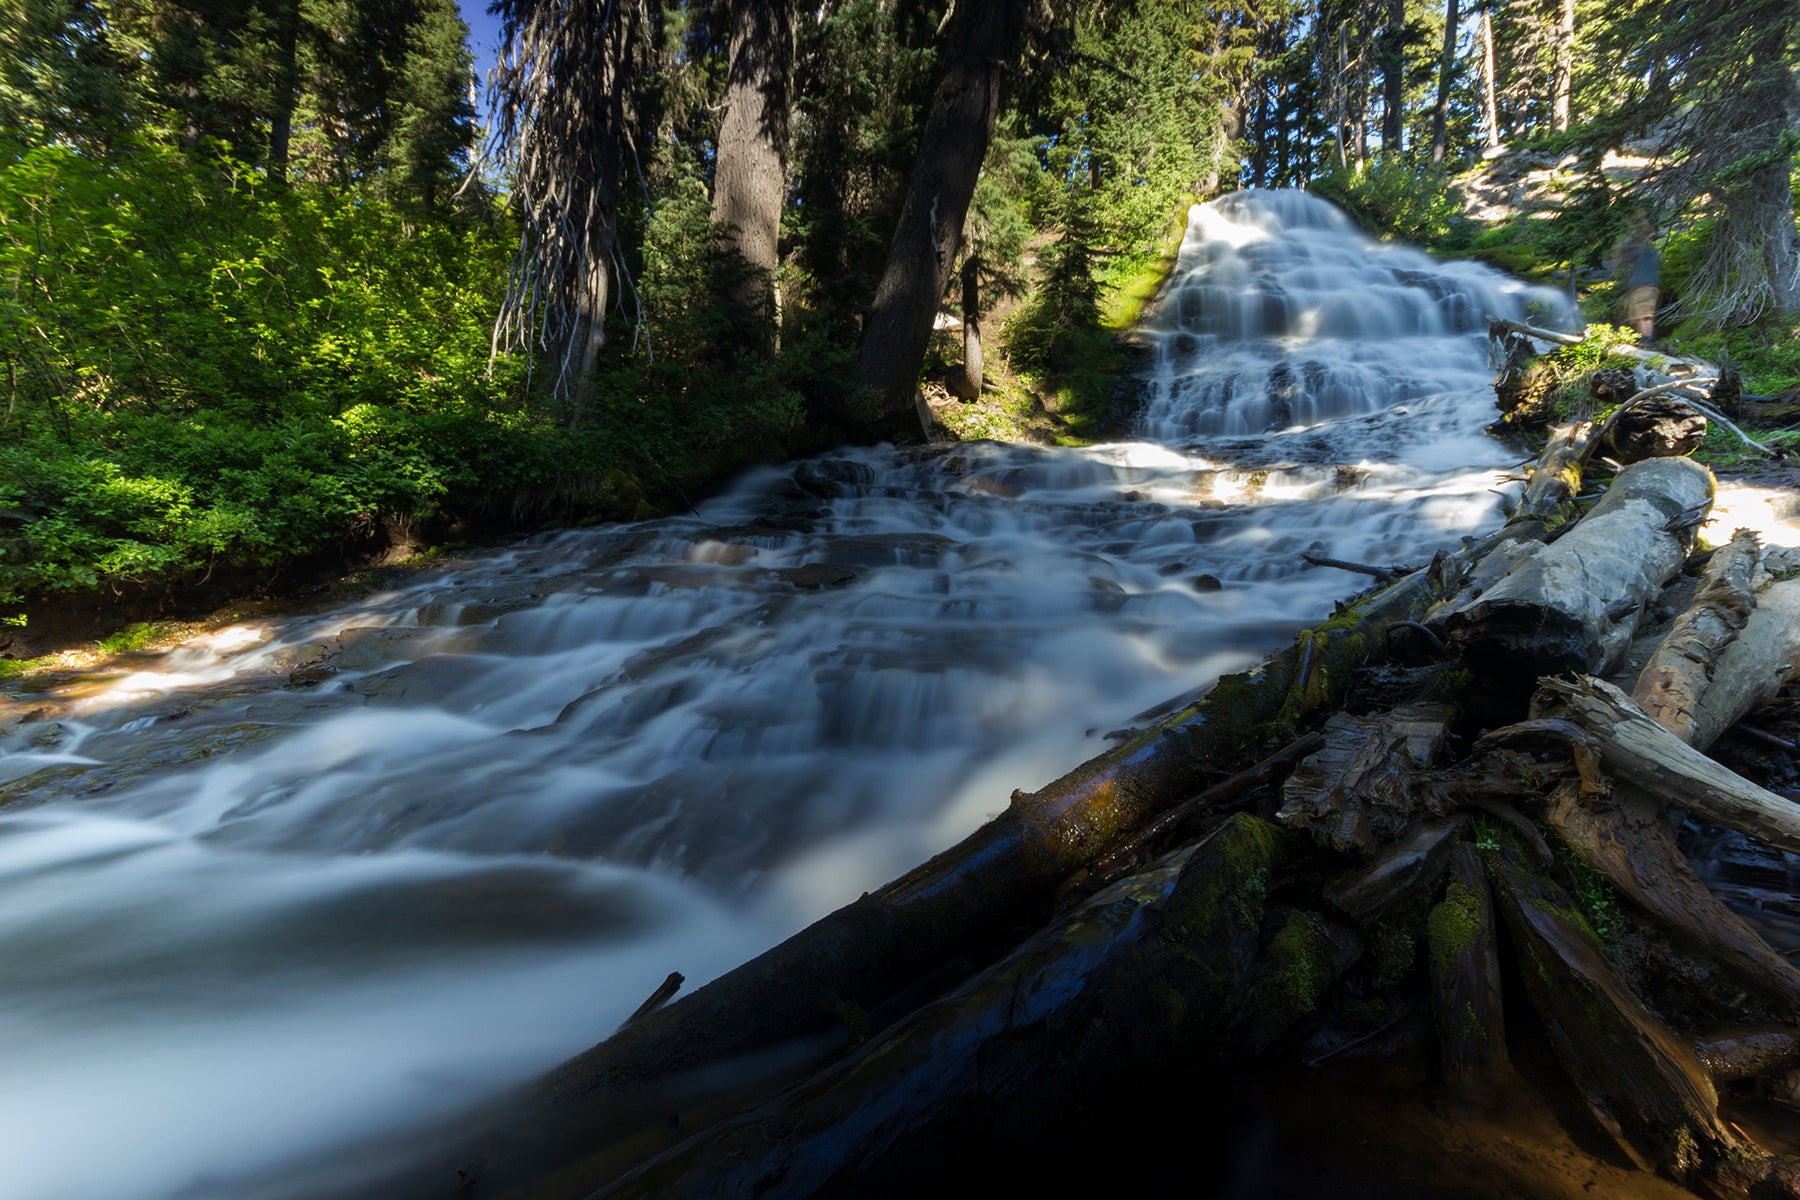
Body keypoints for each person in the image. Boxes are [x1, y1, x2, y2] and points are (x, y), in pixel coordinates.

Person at [1617, 212, 1660, 344]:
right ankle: (1647, 338)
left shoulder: (1642, 251)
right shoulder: (1654, 253)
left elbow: (1625, 251)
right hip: (1652, 288)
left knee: (1641, 315)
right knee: (1647, 315)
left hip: (1641, 287)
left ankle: (1646, 339)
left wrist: (1629, 237)